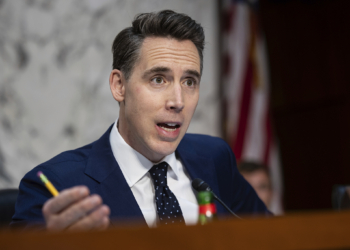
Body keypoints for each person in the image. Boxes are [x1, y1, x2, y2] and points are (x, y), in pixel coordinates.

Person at [12, 10, 269, 231]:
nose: (177, 101)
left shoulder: (215, 157)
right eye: (158, 79)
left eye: (189, 82)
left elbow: (270, 236)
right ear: (119, 85)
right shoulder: (56, 184)